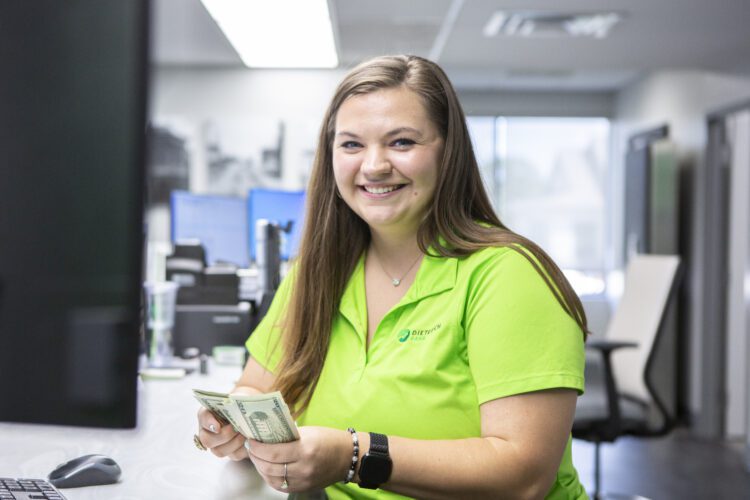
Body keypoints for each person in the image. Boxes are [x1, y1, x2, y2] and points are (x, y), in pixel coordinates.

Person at [196, 54, 589, 499]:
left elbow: (523, 477)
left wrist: (353, 454)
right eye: (351, 145)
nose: (374, 165)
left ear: (448, 151)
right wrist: (229, 423)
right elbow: (256, 386)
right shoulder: (317, 272)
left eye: (401, 142)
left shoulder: (509, 276)